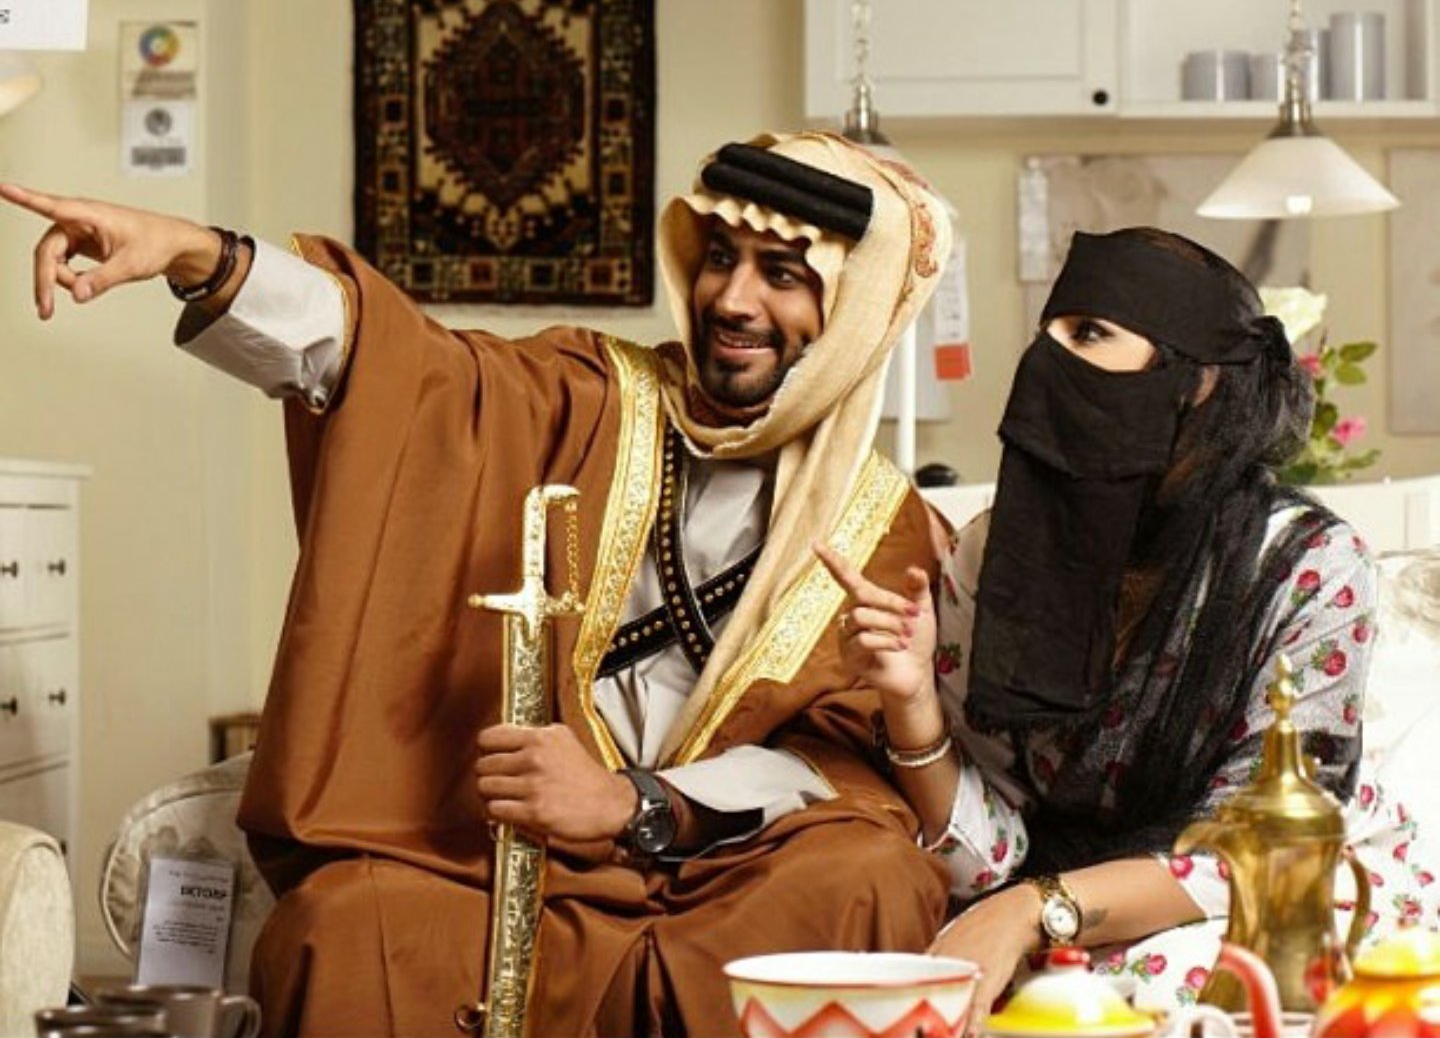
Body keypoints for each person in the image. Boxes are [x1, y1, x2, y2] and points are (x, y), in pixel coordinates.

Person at [2, 132, 956, 1037]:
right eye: (719, 260)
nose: (733, 300)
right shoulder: (589, 394)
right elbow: (400, 370)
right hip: (503, 856)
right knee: (344, 924)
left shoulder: (885, 526)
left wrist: (633, 802)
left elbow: (847, 770)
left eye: (781, 275)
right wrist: (200, 256)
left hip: (725, 879)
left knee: (871, 876)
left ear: (853, 313)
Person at [818, 226, 1383, 1021]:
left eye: (1087, 332)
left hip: (1253, 902)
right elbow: (990, 852)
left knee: (1153, 992)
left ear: (1198, 380)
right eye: (1047, 332)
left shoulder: (1307, 567)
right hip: (1048, 899)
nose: (1045, 358)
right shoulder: (992, 551)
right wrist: (911, 701)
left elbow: (1266, 848)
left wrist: (1034, 910)